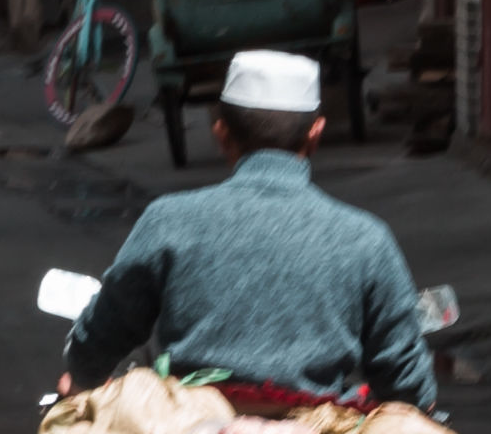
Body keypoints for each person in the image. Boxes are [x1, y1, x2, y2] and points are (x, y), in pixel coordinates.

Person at [55, 49, 440, 415]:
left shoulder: (167, 220)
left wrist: (83, 375)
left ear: (221, 134)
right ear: (316, 134)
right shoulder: (366, 239)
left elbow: (100, 338)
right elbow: (406, 381)